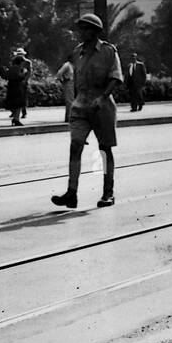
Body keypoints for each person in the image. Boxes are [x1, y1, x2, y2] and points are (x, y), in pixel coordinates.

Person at [52, 13, 123, 209]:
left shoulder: (109, 51)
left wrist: (102, 98)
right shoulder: (77, 53)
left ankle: (108, 192)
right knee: (75, 146)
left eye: (87, 28)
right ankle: (71, 193)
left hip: (102, 107)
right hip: (81, 106)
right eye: (81, 28)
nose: (82, 32)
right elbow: (76, 79)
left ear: (96, 31)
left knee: (104, 149)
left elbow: (116, 78)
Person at [6, 48, 31, 125]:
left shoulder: (11, 68)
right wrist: (24, 75)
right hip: (17, 87)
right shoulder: (18, 68)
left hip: (11, 86)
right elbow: (19, 76)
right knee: (19, 104)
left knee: (14, 103)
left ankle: (15, 118)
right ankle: (16, 119)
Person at [55, 56, 75, 122]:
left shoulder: (73, 65)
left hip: (74, 83)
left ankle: (70, 117)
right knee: (69, 101)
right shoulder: (67, 65)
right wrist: (62, 81)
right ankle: (69, 118)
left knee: (72, 101)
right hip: (68, 83)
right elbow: (59, 73)